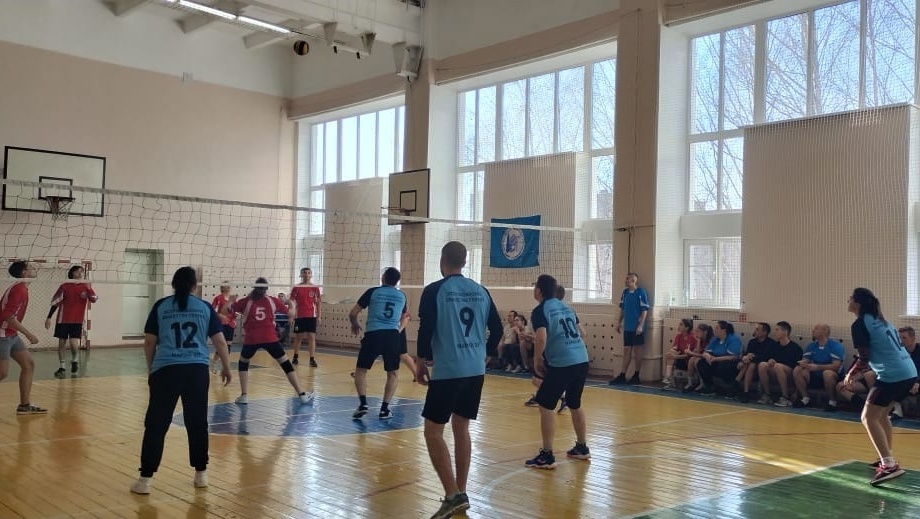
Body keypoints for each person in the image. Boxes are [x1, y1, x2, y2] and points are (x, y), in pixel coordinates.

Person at [414, 242, 502, 519]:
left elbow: (426, 328)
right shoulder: (481, 290)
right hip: (475, 369)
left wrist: (421, 360)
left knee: (432, 432)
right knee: (461, 428)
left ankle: (453, 495)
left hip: (449, 370)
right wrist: (487, 354)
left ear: (442, 260)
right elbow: (497, 329)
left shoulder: (434, 290)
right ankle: (460, 492)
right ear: (465, 261)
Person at [130, 267, 232, 495]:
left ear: (173, 284)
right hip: (196, 370)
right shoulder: (204, 307)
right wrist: (226, 367)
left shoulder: (161, 306)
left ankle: (145, 480)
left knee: (156, 424)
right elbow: (220, 342)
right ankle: (201, 474)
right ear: (194, 285)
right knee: (197, 423)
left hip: (166, 370)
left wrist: (151, 369)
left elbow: (149, 342)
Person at [846, 288, 917, 486]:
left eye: (850, 298)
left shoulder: (860, 324)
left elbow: (864, 357)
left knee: (867, 417)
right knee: (882, 415)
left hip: (892, 375)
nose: (848, 301)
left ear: (857, 303)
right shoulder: (881, 320)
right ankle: (887, 457)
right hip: (908, 372)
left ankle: (889, 465)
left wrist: (851, 373)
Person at [524, 274, 591, 469]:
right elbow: (582, 332)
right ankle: (582, 447)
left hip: (563, 363)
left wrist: (537, 359)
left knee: (545, 405)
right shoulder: (567, 307)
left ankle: (547, 455)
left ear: (539, 290)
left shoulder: (540, 310)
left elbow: (542, 338)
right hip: (581, 359)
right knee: (574, 403)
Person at [225, 278, 314, 405]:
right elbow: (291, 313)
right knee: (286, 364)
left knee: (243, 362)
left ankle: (244, 395)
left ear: (254, 287)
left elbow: (227, 309)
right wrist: (291, 303)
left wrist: (230, 301)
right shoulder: (272, 300)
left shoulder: (245, 301)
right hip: (270, 338)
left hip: (252, 339)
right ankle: (301, 394)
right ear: (266, 289)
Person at [348, 267, 407, 419]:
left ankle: (363, 404)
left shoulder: (372, 292)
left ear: (383, 277)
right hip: (392, 336)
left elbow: (353, 313)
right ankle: (384, 410)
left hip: (374, 334)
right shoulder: (402, 296)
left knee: (361, 370)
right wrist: (398, 330)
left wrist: (355, 324)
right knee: (393, 373)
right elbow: (405, 317)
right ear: (397, 281)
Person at [0, 261, 46, 415]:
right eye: (31, 267)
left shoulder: (22, 288)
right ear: (24, 273)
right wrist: (29, 334)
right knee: (2, 373)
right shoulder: (19, 289)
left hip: (11, 334)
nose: (35, 268)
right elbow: (7, 316)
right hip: (2, 334)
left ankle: (24, 405)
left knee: (28, 364)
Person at [45, 265, 98, 379]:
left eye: (82, 272)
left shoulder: (85, 287)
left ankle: (74, 360)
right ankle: (62, 367)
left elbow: (94, 299)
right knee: (62, 343)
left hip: (77, 320)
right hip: (63, 319)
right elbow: (55, 302)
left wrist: (89, 288)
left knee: (74, 344)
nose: (80, 274)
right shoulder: (64, 286)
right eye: (77, 271)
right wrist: (49, 317)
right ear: (72, 273)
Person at [610, 273, 650, 385]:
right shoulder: (625, 292)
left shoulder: (641, 292)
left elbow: (644, 310)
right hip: (627, 327)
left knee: (637, 350)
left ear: (633, 280)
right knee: (627, 350)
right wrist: (619, 322)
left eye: (627, 278)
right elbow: (622, 309)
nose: (625, 280)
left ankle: (636, 375)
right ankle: (622, 375)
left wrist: (640, 325)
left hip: (637, 327)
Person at [289, 267, 321, 367]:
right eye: (304, 273)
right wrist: (291, 315)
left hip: (311, 316)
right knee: (298, 337)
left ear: (311, 275)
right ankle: (295, 357)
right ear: (301, 275)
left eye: (308, 273)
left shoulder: (315, 288)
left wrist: (319, 316)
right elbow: (291, 302)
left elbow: (318, 303)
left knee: (311, 337)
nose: (306, 274)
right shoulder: (296, 287)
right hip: (299, 316)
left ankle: (312, 359)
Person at [662, 319, 697, 391]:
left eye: (681, 324)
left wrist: (675, 356)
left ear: (687, 328)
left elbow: (688, 355)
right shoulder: (678, 336)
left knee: (672, 356)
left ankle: (670, 379)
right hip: (680, 357)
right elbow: (675, 348)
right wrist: (673, 351)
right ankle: (670, 380)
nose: (678, 326)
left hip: (688, 359)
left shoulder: (692, 337)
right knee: (669, 355)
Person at [210, 283, 236, 374]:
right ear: (222, 288)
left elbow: (234, 310)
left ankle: (224, 367)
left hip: (231, 324)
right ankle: (214, 363)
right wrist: (220, 315)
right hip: (221, 324)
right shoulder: (218, 298)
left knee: (228, 346)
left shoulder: (232, 299)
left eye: (229, 285)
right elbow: (212, 311)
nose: (228, 286)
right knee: (221, 346)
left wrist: (235, 315)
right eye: (226, 285)